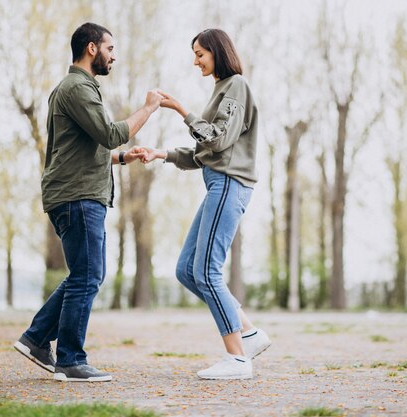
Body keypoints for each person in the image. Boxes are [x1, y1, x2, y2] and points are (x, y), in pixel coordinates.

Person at [14, 22, 163, 383]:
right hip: (78, 196)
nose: (114, 56)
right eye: (111, 49)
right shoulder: (78, 87)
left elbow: (81, 150)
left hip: (73, 193)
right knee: (89, 275)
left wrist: (123, 158)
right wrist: (149, 108)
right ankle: (70, 359)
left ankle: (35, 339)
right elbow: (110, 133)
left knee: (84, 273)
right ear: (92, 48)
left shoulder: (74, 89)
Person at [143, 28, 271, 380]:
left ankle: (238, 359)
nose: (195, 61)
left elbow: (216, 139)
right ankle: (250, 333)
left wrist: (181, 110)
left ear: (217, 52)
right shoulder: (221, 91)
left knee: (207, 270)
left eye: (200, 53)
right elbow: (204, 153)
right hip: (218, 181)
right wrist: (162, 154)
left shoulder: (236, 87)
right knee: (187, 269)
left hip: (230, 183)